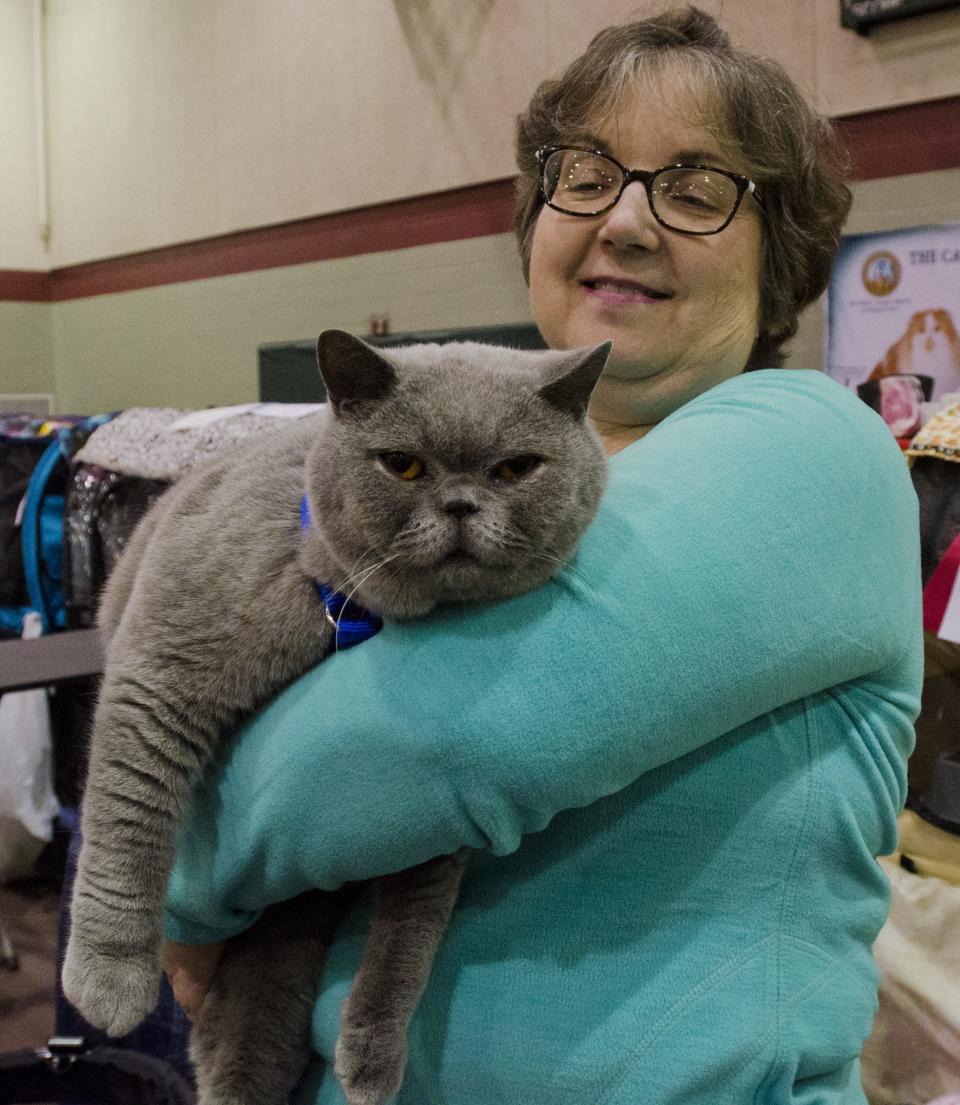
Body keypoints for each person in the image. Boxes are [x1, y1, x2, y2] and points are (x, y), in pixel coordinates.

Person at [162, 8, 922, 1103]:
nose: (623, 220)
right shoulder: (412, 473)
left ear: (782, 252)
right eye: (585, 172)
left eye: (697, 187)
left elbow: (450, 742)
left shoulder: (816, 452)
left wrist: (180, 879)